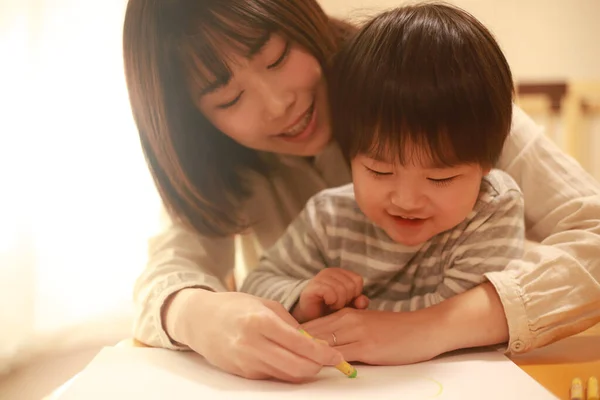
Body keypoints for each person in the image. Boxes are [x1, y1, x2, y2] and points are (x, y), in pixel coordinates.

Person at [122, 0, 600, 383]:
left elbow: (593, 233)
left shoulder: (441, 97)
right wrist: (200, 315)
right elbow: (169, 271)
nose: (278, 104)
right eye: (229, 98)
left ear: (304, 15)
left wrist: (434, 327)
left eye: (276, 57)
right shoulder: (220, 166)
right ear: (195, 120)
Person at [241, 4, 525, 341]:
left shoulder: (491, 211)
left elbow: (455, 311)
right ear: (349, 156)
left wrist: (351, 320)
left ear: (487, 165)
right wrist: (302, 298)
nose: (406, 200)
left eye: (440, 178)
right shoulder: (328, 217)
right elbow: (256, 284)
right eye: (379, 170)